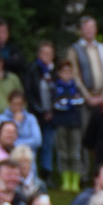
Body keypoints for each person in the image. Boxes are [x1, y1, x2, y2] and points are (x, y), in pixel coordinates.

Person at [67, 15, 103, 110]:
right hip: (84, 99)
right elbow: (74, 75)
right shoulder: (74, 50)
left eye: (92, 27)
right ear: (80, 30)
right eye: (86, 27)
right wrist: (88, 97)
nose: (89, 30)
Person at [52, 56, 87, 189]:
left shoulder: (76, 87)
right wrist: (67, 103)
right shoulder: (56, 87)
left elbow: (80, 102)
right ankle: (65, 181)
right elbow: (57, 104)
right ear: (59, 73)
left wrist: (69, 102)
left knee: (75, 152)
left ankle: (75, 181)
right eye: (64, 72)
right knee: (63, 152)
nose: (67, 75)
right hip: (61, 123)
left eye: (69, 72)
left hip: (75, 123)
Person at [26, 41, 58, 181]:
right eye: (44, 53)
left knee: (48, 144)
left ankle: (47, 172)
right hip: (36, 114)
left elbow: (60, 92)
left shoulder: (55, 71)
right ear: (39, 54)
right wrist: (41, 111)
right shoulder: (33, 69)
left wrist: (52, 111)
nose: (47, 56)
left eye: (50, 54)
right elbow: (30, 92)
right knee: (35, 143)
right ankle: (33, 173)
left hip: (52, 115)